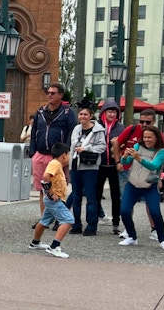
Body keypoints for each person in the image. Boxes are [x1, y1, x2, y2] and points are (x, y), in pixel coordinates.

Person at [117, 126, 164, 251]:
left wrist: (139, 158)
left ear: (156, 138)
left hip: (149, 185)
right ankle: (132, 236)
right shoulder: (137, 147)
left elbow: (154, 166)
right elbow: (125, 162)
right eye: (145, 137)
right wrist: (124, 157)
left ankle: (163, 239)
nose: (146, 140)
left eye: (149, 137)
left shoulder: (162, 151)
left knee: (155, 212)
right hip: (132, 184)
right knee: (124, 211)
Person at [28, 82, 76, 214]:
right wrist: (33, 152)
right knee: (43, 189)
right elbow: (34, 132)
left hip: (57, 157)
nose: (49, 95)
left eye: (53, 93)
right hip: (40, 154)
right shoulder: (40, 111)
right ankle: (44, 218)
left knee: (58, 188)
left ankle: (58, 216)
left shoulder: (68, 113)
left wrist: (65, 153)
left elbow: (71, 133)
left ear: (61, 95)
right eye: (48, 93)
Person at [114, 108, 158, 240]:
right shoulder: (131, 129)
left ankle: (155, 229)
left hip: (147, 172)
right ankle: (128, 228)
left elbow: (162, 153)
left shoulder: (158, 134)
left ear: (154, 121)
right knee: (127, 200)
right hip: (127, 170)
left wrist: (160, 174)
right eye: (142, 121)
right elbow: (117, 142)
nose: (144, 125)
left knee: (150, 202)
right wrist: (118, 161)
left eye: (148, 122)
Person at [29, 142, 74, 258]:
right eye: (69, 155)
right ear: (64, 155)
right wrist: (51, 193)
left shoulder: (57, 165)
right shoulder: (55, 164)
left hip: (51, 200)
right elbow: (45, 177)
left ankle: (35, 242)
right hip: (54, 200)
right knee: (68, 220)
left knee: (44, 220)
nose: (69, 157)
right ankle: (54, 246)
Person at [68, 105, 106, 236]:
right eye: (81, 114)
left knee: (91, 197)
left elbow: (102, 147)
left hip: (90, 167)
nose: (82, 117)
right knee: (76, 196)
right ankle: (76, 224)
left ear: (90, 116)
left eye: (85, 114)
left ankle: (91, 226)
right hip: (75, 165)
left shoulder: (98, 130)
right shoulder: (76, 129)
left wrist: (87, 148)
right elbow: (72, 145)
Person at [95, 100, 125, 235]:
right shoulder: (96, 126)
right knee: (96, 194)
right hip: (99, 165)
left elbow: (125, 145)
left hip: (114, 165)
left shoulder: (120, 128)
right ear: (103, 113)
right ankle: (93, 220)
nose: (112, 114)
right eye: (109, 111)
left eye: (114, 112)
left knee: (115, 195)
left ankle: (116, 223)